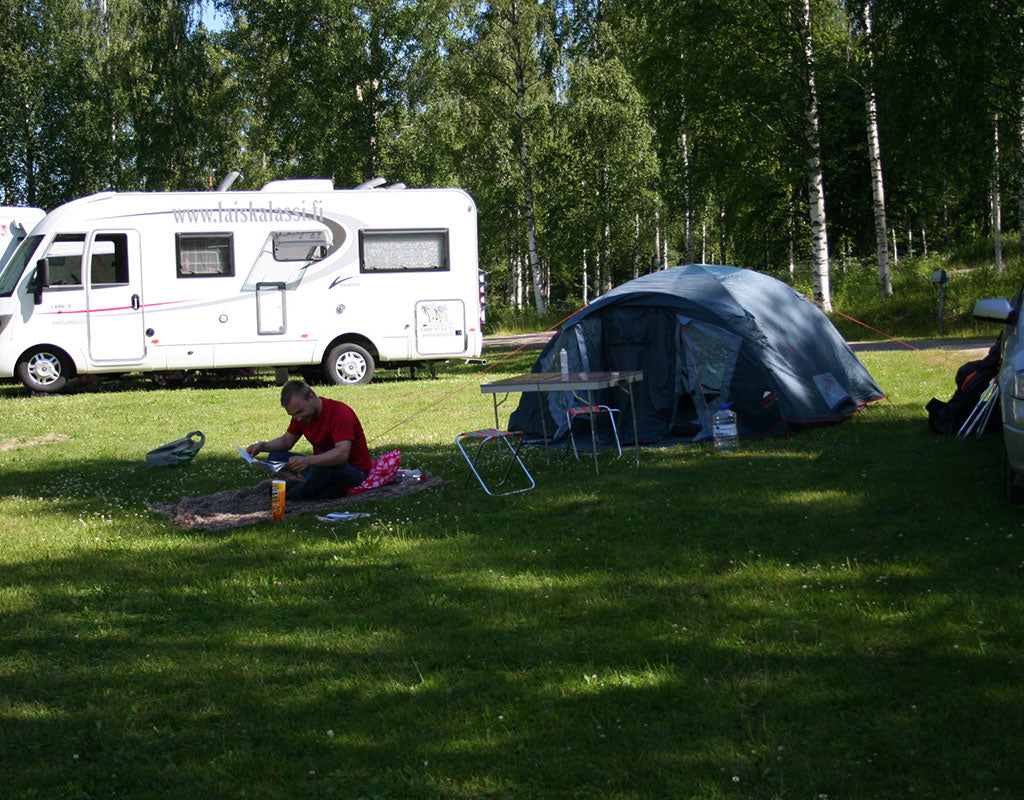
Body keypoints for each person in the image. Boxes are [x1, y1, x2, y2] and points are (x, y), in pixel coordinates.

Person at [246, 380, 372, 500]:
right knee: (276, 457)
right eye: (293, 415)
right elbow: (286, 442)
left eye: (299, 412)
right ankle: (320, 489)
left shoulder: (339, 413)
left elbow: (341, 454)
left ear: (311, 397)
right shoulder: (301, 417)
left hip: (354, 472)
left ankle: (294, 494)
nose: (298, 418)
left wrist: (308, 461)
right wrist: (261, 446)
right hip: (318, 466)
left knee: (321, 465)